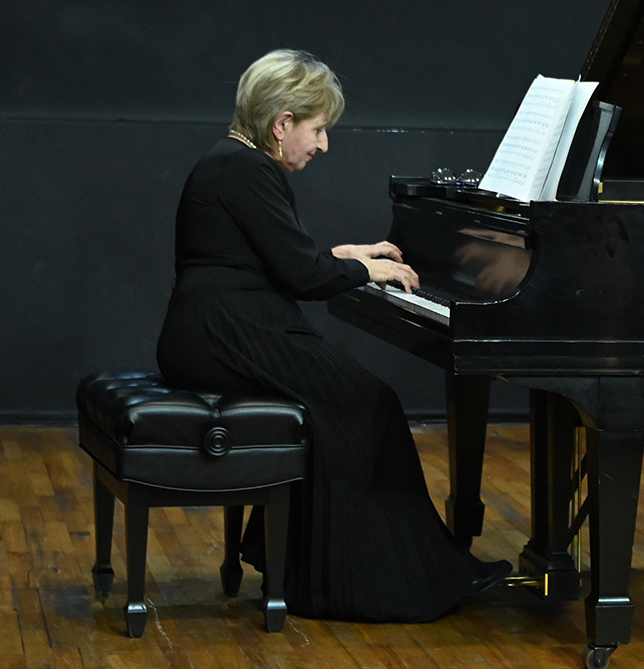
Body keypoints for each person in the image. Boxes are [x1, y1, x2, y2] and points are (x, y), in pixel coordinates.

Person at [156, 49, 511, 623]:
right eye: (318, 129)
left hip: (216, 329)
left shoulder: (231, 162)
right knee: (369, 404)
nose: (323, 145)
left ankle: (311, 570)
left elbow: (271, 258)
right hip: (227, 334)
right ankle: (379, 582)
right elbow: (304, 276)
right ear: (282, 124)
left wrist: (345, 254)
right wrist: (365, 270)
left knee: (350, 405)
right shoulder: (250, 169)